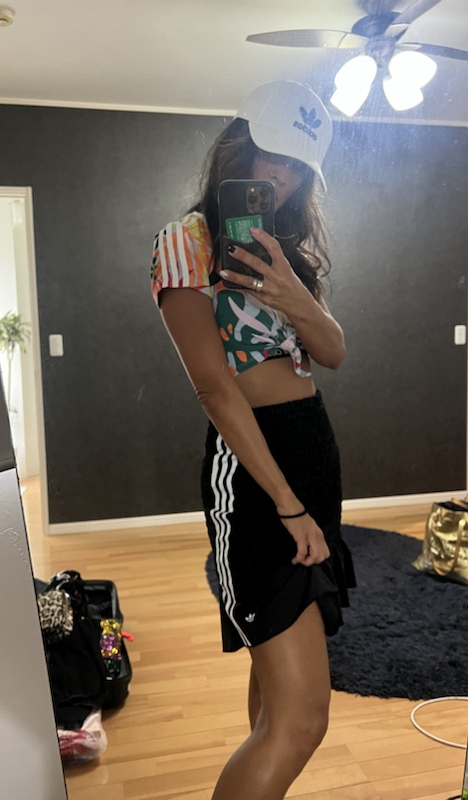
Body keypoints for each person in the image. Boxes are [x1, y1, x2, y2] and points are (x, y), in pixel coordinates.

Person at [150, 80, 356, 800]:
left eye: (299, 167)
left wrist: (295, 294)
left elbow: (332, 352)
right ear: (239, 144)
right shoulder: (187, 242)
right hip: (254, 473)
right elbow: (214, 388)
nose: (284, 177)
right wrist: (286, 503)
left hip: (312, 452)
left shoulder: (283, 250)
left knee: (274, 699)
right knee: (301, 722)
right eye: (274, 155)